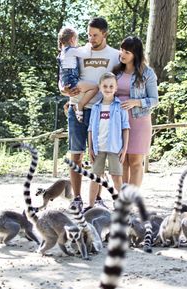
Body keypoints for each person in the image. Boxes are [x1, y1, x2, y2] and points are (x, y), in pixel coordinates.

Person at [61, 17, 120, 210]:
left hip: (101, 110)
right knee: (75, 154)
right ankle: (77, 197)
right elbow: (64, 77)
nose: (91, 38)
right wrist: (65, 91)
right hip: (77, 107)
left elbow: (119, 83)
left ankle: (97, 197)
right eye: (89, 35)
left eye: (95, 35)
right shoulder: (79, 52)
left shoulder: (115, 55)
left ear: (105, 33)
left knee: (98, 156)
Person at [113, 36, 159, 187]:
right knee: (122, 160)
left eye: (127, 52)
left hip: (139, 121)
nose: (122, 54)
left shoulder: (147, 73)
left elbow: (154, 100)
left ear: (136, 54)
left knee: (135, 161)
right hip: (118, 120)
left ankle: (132, 199)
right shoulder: (116, 71)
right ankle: (123, 198)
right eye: (122, 50)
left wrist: (136, 102)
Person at [83, 72, 129, 212]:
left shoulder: (120, 106)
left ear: (115, 88)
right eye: (105, 86)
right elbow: (90, 129)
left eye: (111, 86)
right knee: (95, 177)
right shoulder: (96, 107)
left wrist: (124, 149)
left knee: (116, 177)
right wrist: (90, 148)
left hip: (115, 148)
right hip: (98, 148)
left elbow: (125, 127)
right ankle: (90, 206)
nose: (108, 89)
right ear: (100, 87)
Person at [57, 27, 98, 121]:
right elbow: (87, 54)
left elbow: (60, 75)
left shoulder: (61, 54)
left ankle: (78, 107)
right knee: (95, 87)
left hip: (66, 82)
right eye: (76, 39)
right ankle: (79, 106)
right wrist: (88, 45)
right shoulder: (71, 51)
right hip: (73, 82)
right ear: (72, 39)